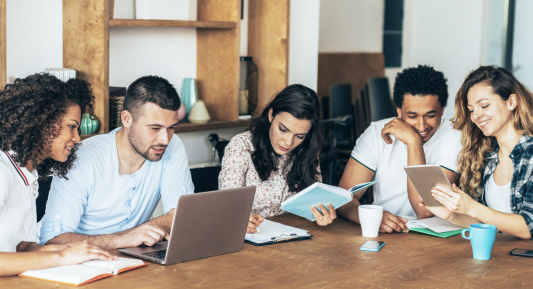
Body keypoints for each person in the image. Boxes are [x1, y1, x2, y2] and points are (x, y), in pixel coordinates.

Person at [39, 76, 195, 249]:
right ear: (126, 119)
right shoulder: (82, 157)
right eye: (155, 128)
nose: (165, 139)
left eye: (171, 127)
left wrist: (136, 236)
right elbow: (53, 240)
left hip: (132, 260)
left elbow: (181, 216)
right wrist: (125, 239)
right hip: (78, 264)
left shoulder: (172, 146)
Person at [0, 74, 114, 276]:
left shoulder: (28, 173)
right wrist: (62, 257)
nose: (77, 138)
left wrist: (73, 250)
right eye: (72, 126)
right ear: (41, 122)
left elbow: (22, 248)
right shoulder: (2, 170)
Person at [336, 65, 462, 233]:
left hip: (434, 238)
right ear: (398, 110)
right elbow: (342, 198)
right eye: (412, 116)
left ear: (442, 110)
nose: (421, 125)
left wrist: (413, 142)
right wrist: (367, 217)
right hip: (384, 233)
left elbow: (425, 210)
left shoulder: (455, 137)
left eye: (430, 115)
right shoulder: (376, 132)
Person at [423, 66, 533, 240]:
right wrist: (451, 214)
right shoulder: (486, 156)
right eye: (472, 110)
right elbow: (485, 223)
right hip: (497, 257)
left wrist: (472, 206)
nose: (476, 116)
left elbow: (528, 227)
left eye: (484, 105)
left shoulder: (530, 154)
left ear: (511, 102)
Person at [219, 84, 335, 233]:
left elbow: (312, 203)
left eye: (300, 136)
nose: (288, 142)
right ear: (271, 115)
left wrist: (320, 214)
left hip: (294, 238)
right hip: (252, 240)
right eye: (283, 129)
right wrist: (238, 220)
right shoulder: (241, 146)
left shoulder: (307, 150)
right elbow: (226, 208)